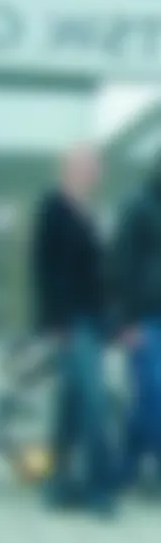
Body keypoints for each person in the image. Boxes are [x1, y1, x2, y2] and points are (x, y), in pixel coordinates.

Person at [32, 144, 116, 514]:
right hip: (70, 321)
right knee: (93, 403)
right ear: (69, 168)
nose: (91, 172)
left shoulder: (92, 212)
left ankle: (58, 483)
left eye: (94, 167)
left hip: (95, 320)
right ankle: (100, 489)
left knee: (71, 403)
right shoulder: (54, 208)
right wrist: (54, 321)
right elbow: (44, 267)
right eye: (84, 165)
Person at [112, 152, 161, 493]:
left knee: (147, 399)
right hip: (145, 317)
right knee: (152, 393)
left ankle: (127, 468)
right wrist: (126, 319)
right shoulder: (139, 205)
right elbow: (121, 263)